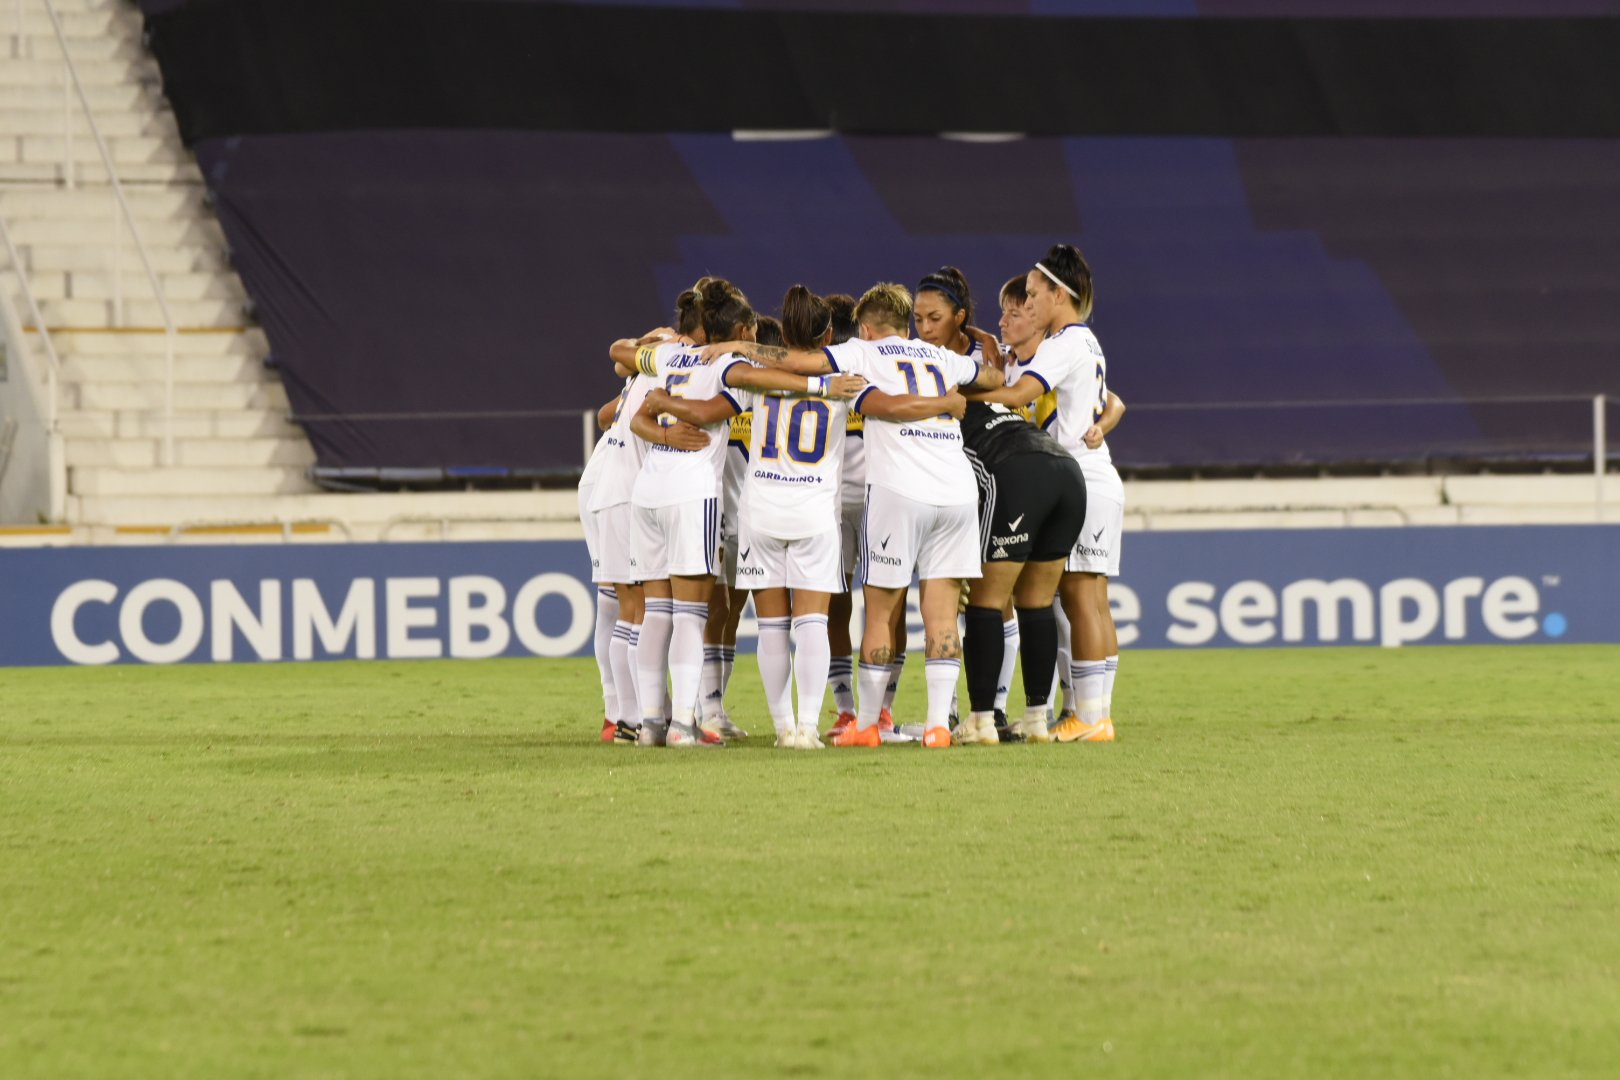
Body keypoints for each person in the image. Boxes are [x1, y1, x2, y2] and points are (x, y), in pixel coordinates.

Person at [703, 283, 1004, 748]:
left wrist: (736, 345)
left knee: (878, 611)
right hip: (957, 491)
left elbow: (794, 364)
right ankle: (939, 725)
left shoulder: (860, 354)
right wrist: (967, 371)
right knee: (942, 613)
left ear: (863, 328)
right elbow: (991, 377)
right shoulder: (940, 357)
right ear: (906, 324)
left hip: (894, 492)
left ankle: (861, 723)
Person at [613, 278, 863, 747]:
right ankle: (784, 728)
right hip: (784, 504)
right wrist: (821, 385)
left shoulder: (675, 357)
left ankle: (651, 722)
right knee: (780, 619)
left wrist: (660, 357)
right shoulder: (765, 367)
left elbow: (622, 358)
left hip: (718, 502)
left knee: (678, 615)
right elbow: (738, 388)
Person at [970, 245, 1128, 742]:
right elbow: (1113, 401)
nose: (1030, 302)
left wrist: (957, 399)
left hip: (1077, 473)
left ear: (1061, 294)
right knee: (1092, 600)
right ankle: (1093, 712)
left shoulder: (1064, 342)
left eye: (1036, 294)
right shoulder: (1086, 341)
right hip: (1092, 474)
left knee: (1080, 598)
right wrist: (1102, 422)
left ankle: (1088, 714)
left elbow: (1019, 396)